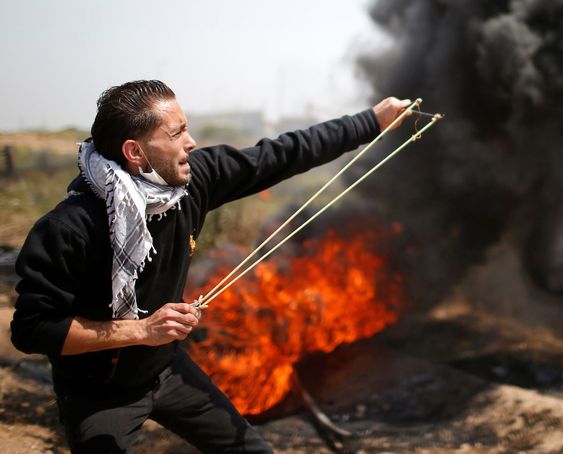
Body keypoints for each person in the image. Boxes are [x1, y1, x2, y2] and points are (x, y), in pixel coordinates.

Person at [10, 80, 411, 453]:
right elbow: (33, 329)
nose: (192, 142)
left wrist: (371, 121)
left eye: (187, 129)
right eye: (176, 134)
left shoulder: (191, 181)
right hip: (97, 392)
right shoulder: (69, 228)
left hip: (165, 368)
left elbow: (285, 152)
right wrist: (142, 330)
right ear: (136, 153)